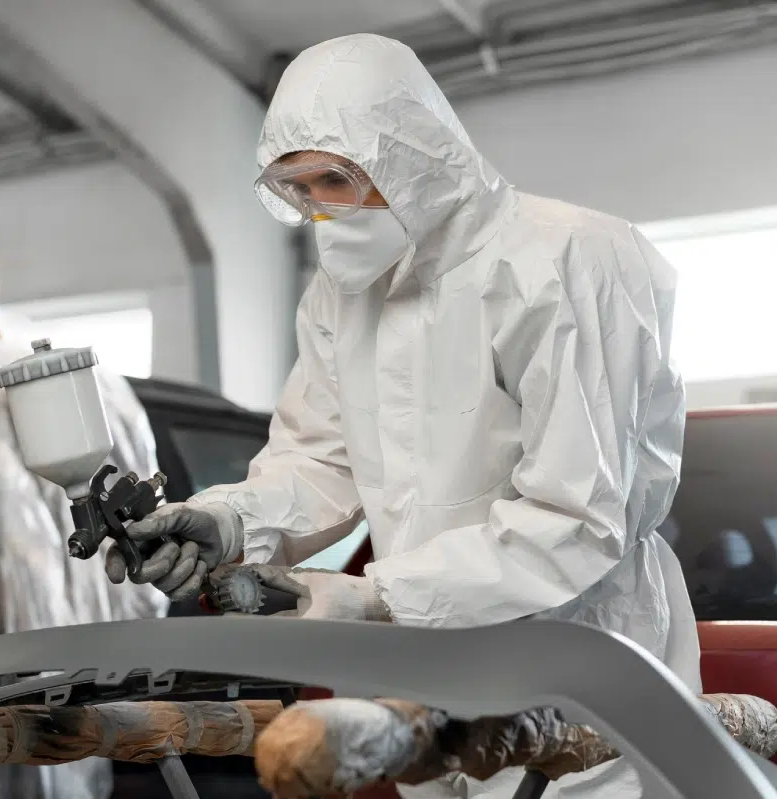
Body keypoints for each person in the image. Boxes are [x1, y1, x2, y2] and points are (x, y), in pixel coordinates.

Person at [106, 33, 700, 798]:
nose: (321, 210)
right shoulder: (342, 294)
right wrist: (224, 523)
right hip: (425, 666)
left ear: (413, 155)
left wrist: (374, 596)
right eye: (300, 191)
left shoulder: (565, 263)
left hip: (579, 665)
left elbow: (580, 517)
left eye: (336, 180)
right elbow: (320, 458)